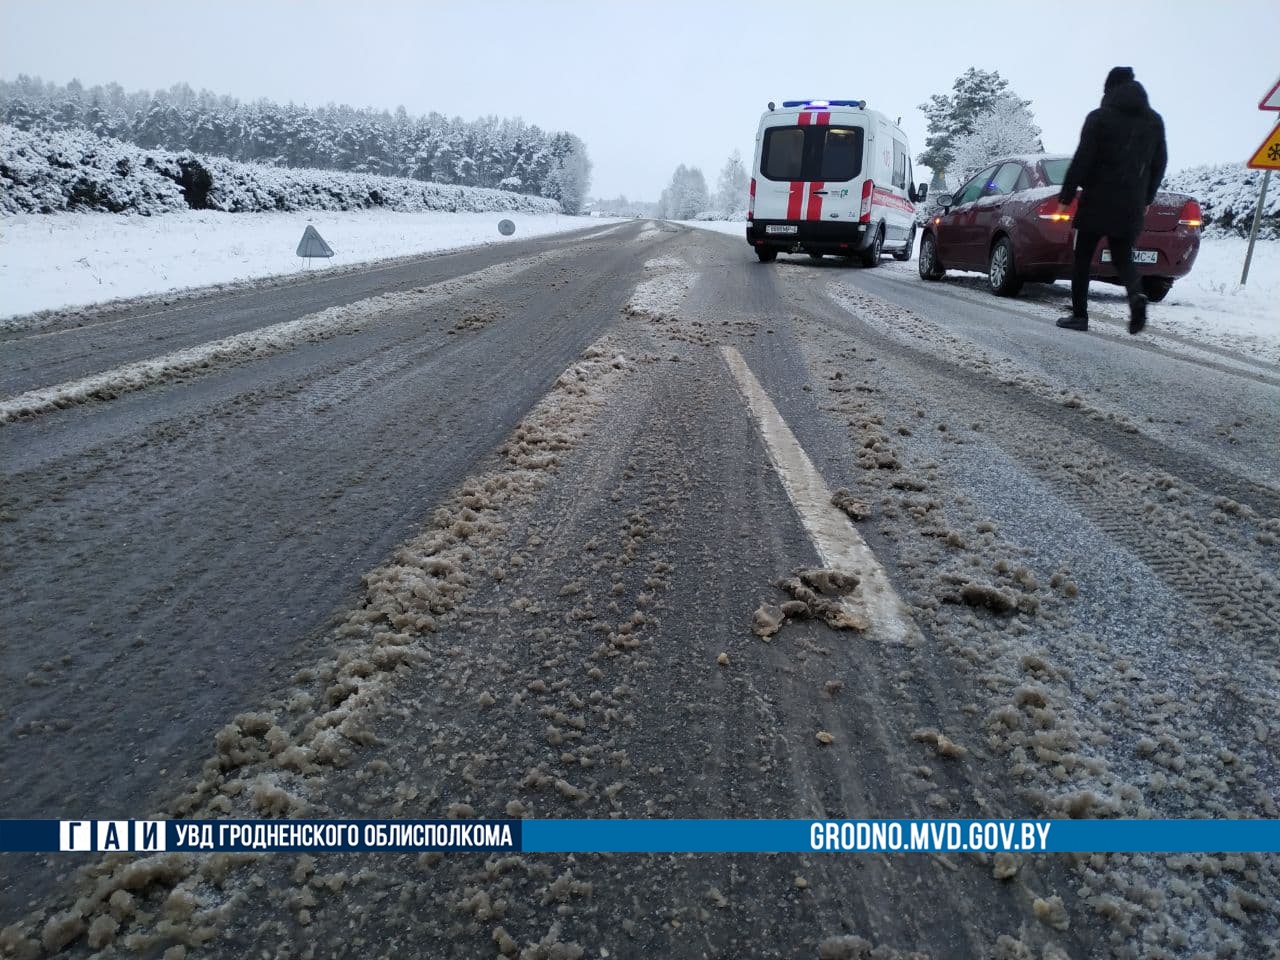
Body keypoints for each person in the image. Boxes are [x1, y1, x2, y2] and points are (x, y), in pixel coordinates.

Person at [1055, 66, 1168, 335]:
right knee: (1123, 258)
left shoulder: (1099, 118)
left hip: (1097, 198)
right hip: (1130, 203)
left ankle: (1080, 316)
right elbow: (1160, 163)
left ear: (1109, 89)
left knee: (1082, 258)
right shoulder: (1154, 121)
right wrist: (1147, 197)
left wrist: (1067, 195)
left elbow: (1083, 159)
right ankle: (1136, 295)